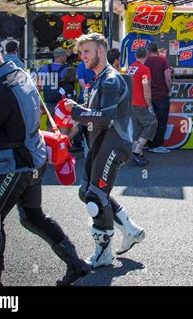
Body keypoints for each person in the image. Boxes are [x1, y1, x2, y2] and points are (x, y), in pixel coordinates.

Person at [0, 39, 90, 286]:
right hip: (35, 157)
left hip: (14, 164)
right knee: (33, 217)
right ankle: (76, 264)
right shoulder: (21, 75)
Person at [64, 33, 145, 268]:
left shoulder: (110, 79)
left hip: (115, 143)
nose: (82, 57)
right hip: (101, 142)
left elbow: (106, 118)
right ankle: (130, 229)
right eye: (81, 52)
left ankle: (103, 252)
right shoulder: (99, 78)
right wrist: (76, 112)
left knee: (95, 197)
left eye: (87, 51)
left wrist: (75, 112)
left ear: (101, 50)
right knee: (86, 192)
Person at [126, 47, 158, 166]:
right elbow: (146, 87)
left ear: (135, 56)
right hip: (140, 103)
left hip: (130, 102)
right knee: (151, 124)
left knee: (137, 128)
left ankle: (137, 154)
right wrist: (149, 103)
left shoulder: (130, 68)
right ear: (146, 56)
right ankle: (136, 151)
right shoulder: (144, 69)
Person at [145, 43, 172, 153]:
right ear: (157, 50)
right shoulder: (163, 60)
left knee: (150, 121)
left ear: (148, 51)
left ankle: (149, 144)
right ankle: (157, 145)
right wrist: (169, 90)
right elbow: (168, 78)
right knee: (162, 121)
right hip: (161, 95)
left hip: (149, 96)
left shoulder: (145, 62)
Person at [39, 48, 69, 131]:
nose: (66, 58)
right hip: (62, 102)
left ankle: (50, 143)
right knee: (63, 124)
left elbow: (39, 82)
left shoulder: (44, 68)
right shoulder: (66, 70)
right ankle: (62, 143)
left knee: (50, 124)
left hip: (48, 100)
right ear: (61, 57)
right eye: (65, 56)